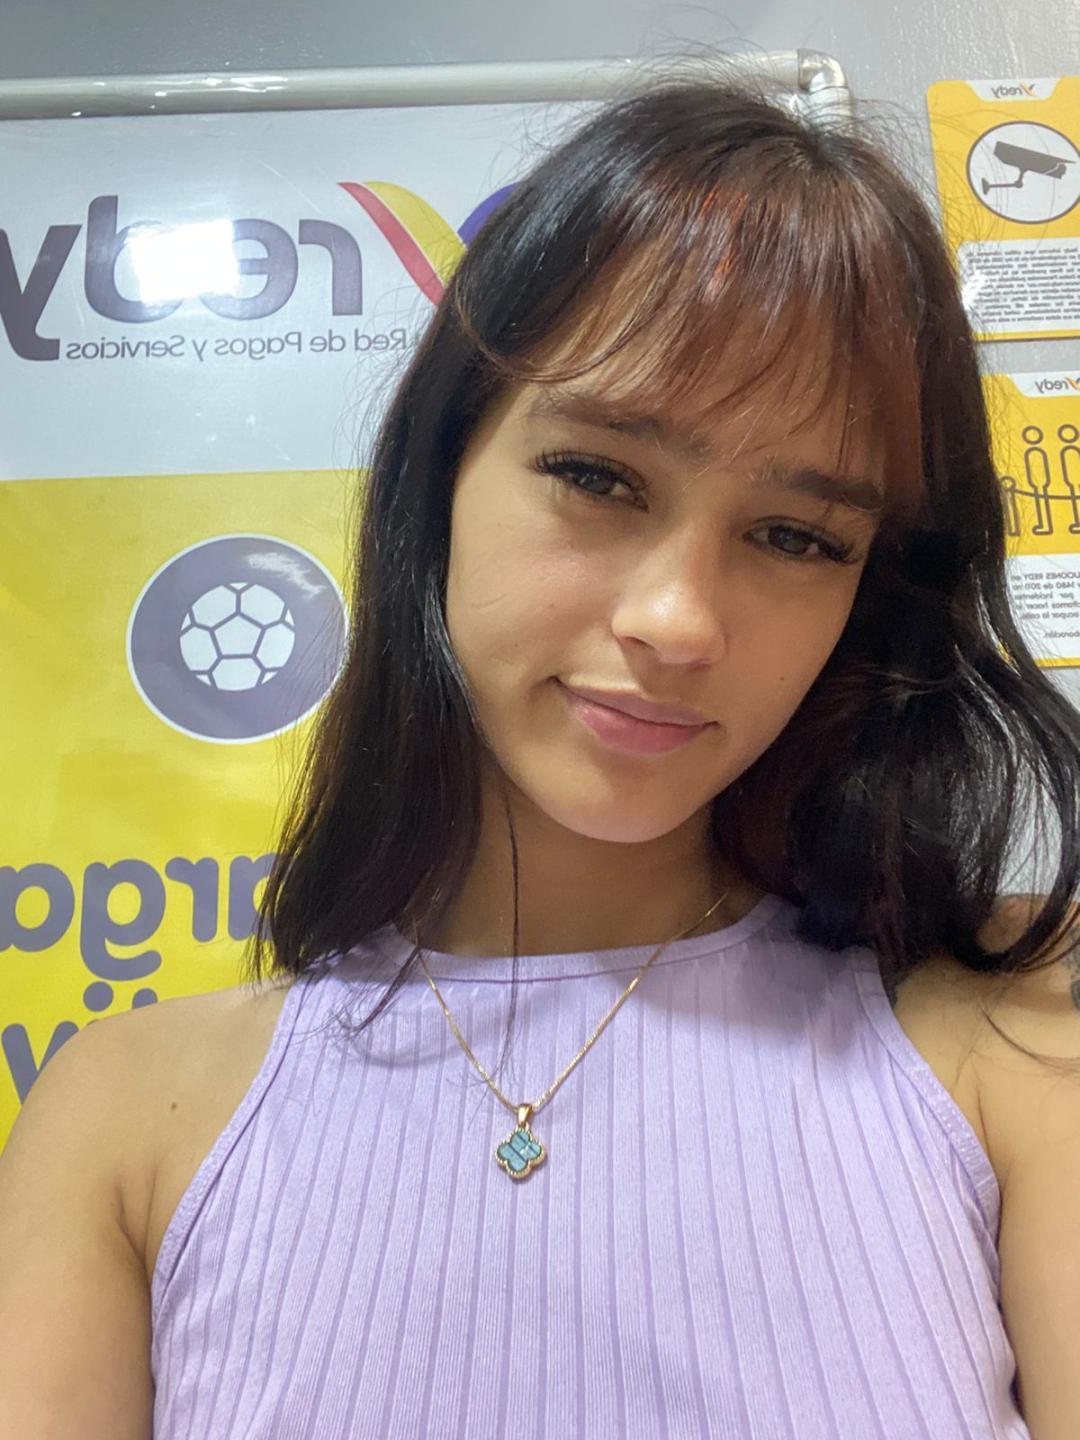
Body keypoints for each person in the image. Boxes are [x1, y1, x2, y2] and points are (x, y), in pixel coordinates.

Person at [2, 56, 1079, 1440]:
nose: (678, 621)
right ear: (440, 480)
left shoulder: (1012, 1038)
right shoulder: (123, 1118)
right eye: (597, 476)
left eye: (796, 536)